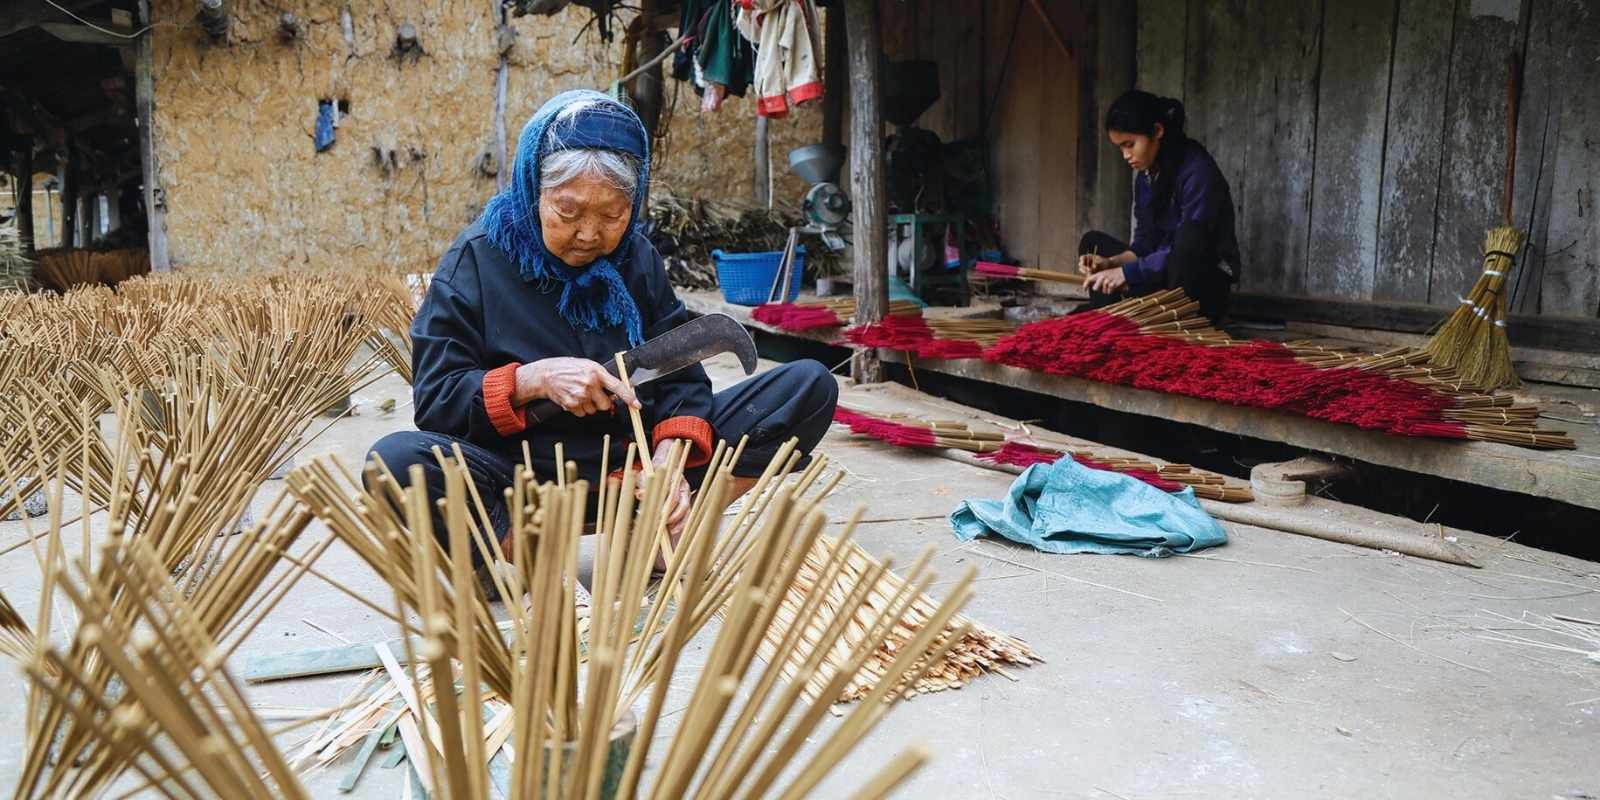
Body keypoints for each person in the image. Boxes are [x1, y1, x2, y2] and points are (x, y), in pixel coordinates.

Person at [368, 90, 837, 599]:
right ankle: (521, 554)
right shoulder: (475, 264)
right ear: (533, 190)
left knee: (807, 386)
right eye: (567, 211)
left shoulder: (637, 258)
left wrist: (669, 459)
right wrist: (533, 380)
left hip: (631, 472)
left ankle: (662, 526)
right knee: (394, 462)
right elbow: (438, 400)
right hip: (525, 480)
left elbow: (680, 376)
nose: (589, 233)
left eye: (613, 214)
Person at [1076, 90, 1241, 321]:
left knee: (1190, 237)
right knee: (1092, 243)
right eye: (1120, 147)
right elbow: (1145, 243)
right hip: (1161, 277)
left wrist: (1127, 273)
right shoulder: (1146, 174)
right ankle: (1113, 317)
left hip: (1200, 286)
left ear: (1157, 131)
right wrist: (1111, 263)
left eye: (1130, 144)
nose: (1125, 155)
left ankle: (1171, 322)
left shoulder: (1198, 171)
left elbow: (1185, 250)